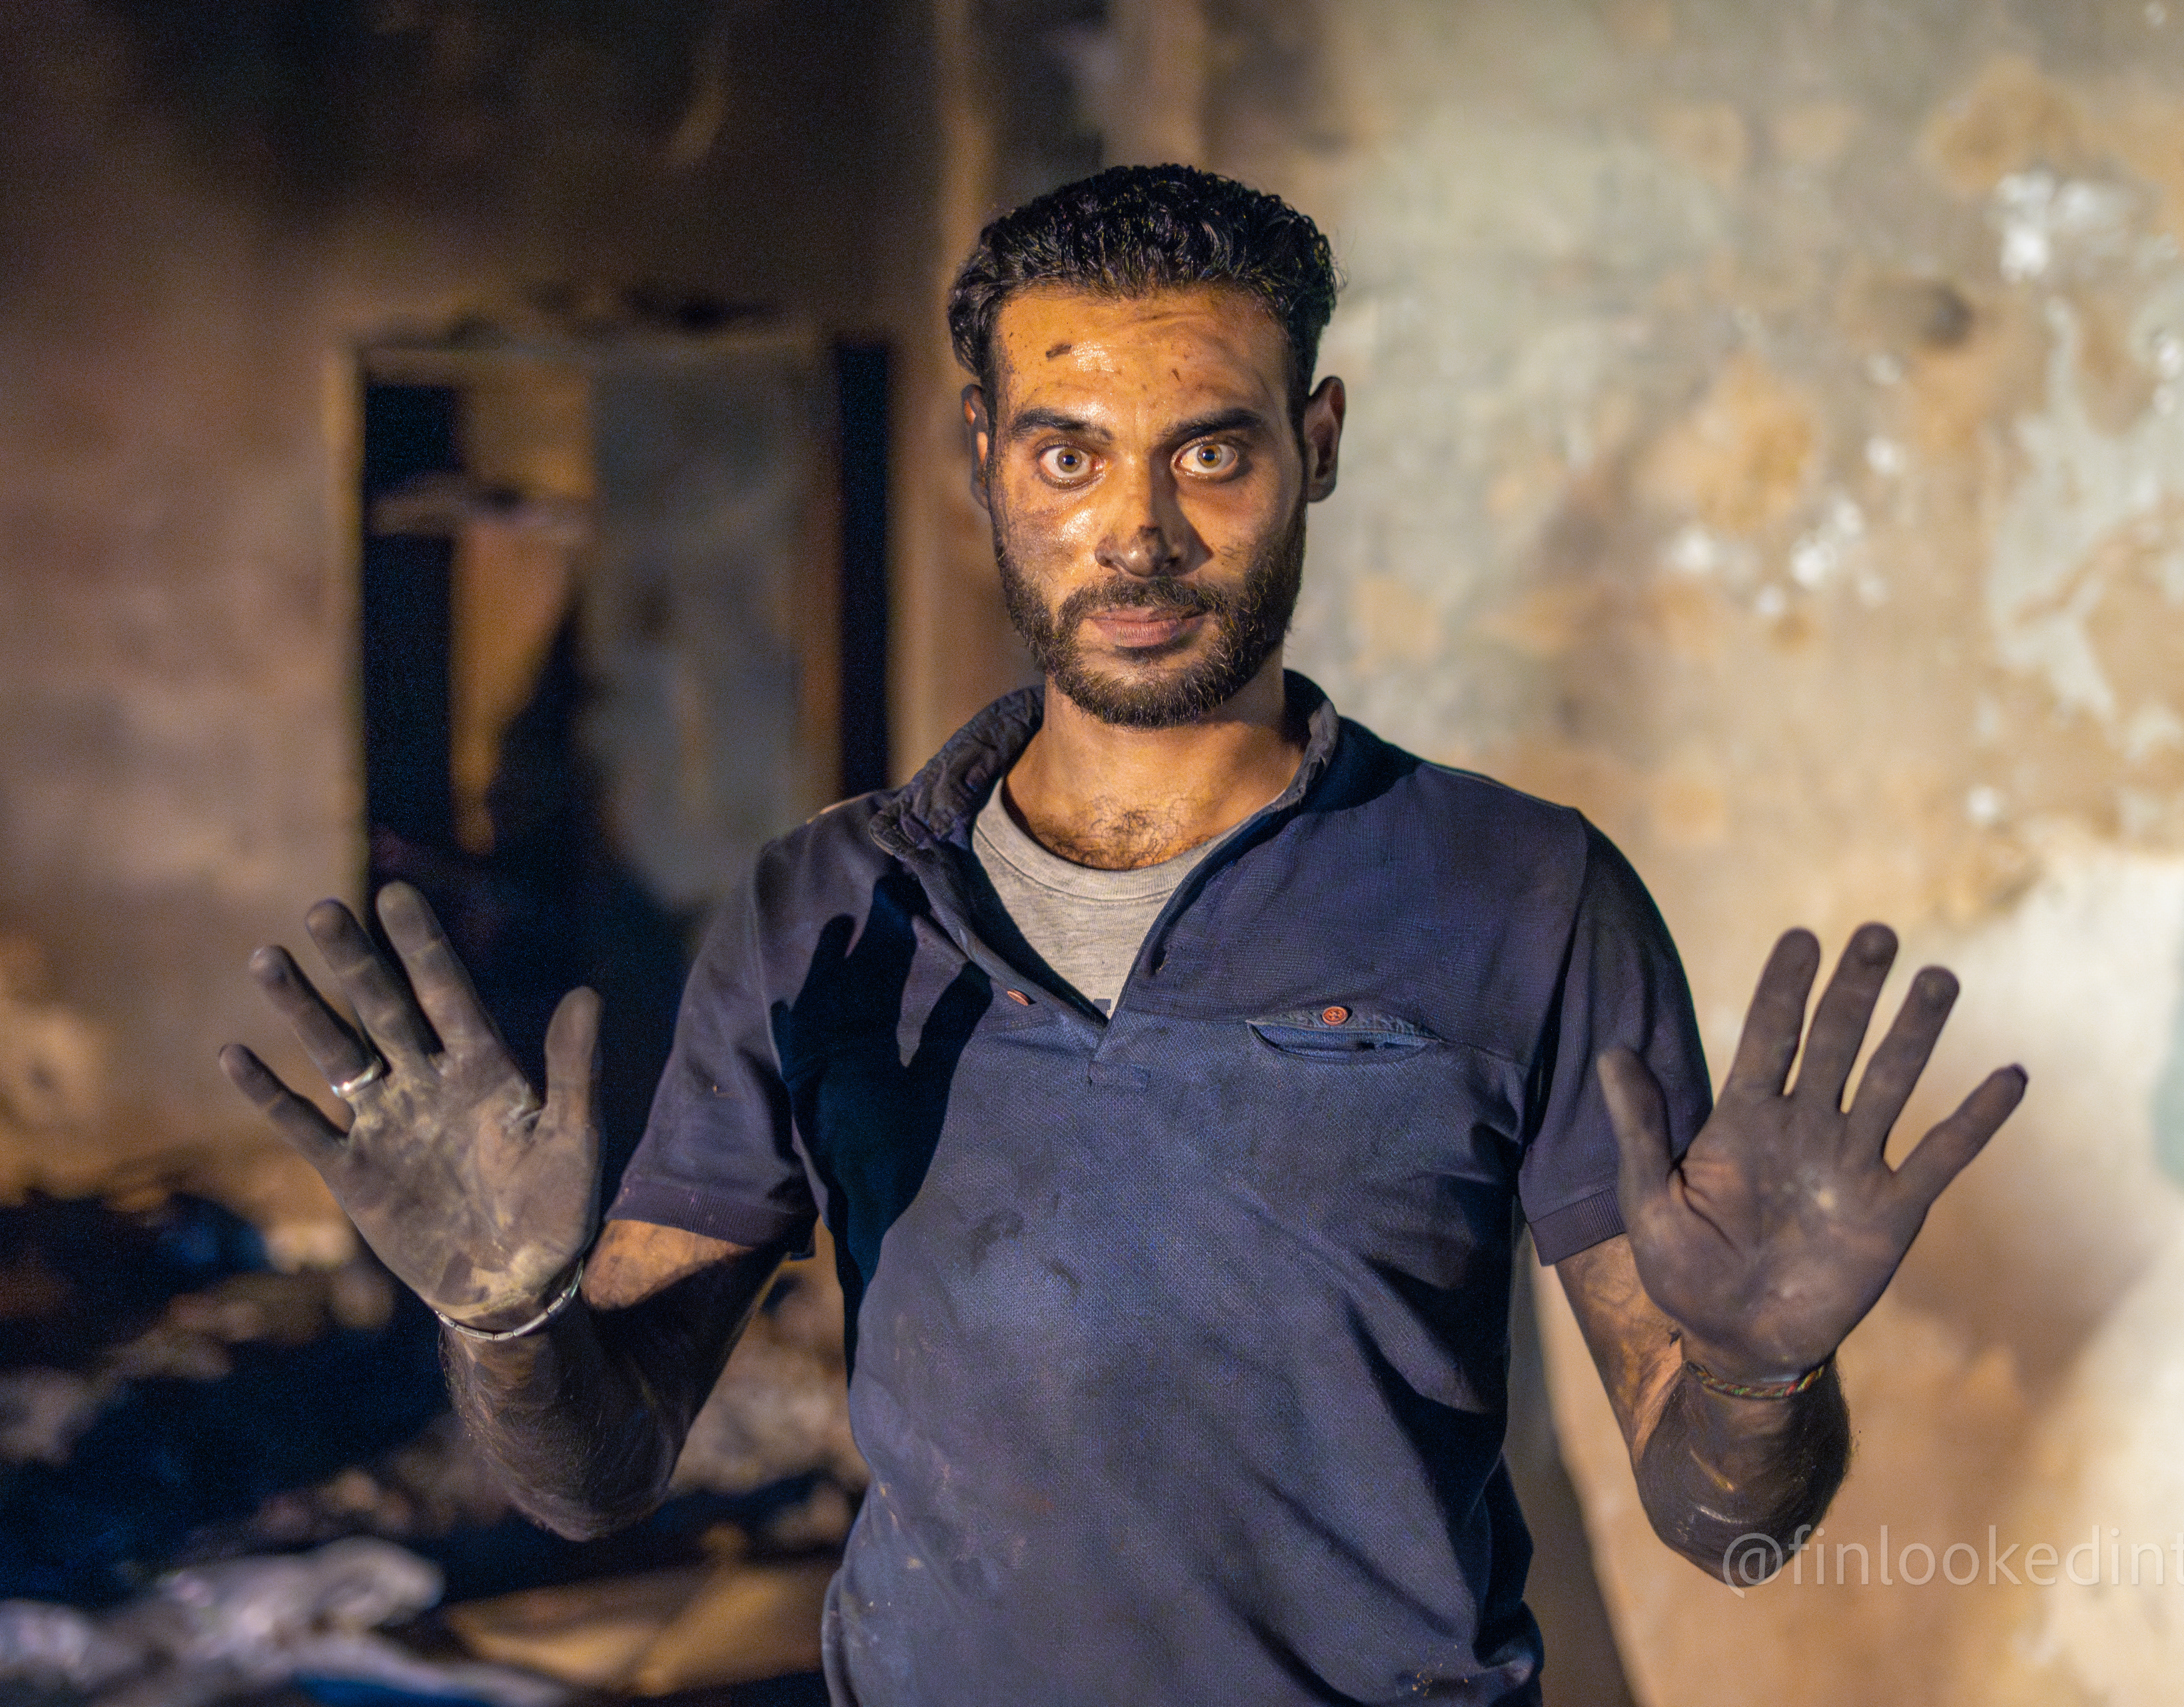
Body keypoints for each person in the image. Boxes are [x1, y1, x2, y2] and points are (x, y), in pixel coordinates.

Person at [221, 165, 2027, 1705]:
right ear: (984, 458)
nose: (1138, 535)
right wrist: (507, 1319)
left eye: (1212, 455)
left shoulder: (1520, 894)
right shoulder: (824, 914)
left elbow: (1732, 1522)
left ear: (1316, 445)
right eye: (1071, 456)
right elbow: (598, 1477)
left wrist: (1763, 1372)